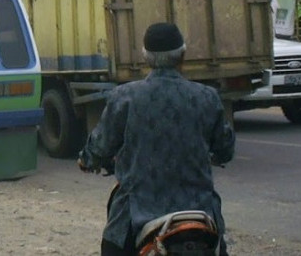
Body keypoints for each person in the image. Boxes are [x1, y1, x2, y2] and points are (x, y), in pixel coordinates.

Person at [78, 22, 235, 256]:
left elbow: (100, 145)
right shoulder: (207, 97)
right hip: (199, 210)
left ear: (146, 59)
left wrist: (87, 160)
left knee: (112, 246)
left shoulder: (125, 97)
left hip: (138, 213)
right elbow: (225, 148)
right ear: (182, 55)